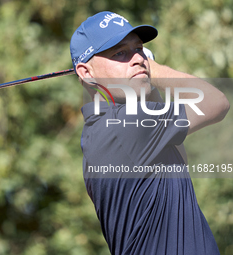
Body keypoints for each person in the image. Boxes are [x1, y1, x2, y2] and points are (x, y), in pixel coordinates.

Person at [70, 11, 230, 255]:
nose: (137, 58)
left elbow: (179, 162)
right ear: (86, 72)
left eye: (139, 49)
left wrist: (143, 78)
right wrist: (152, 68)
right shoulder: (126, 125)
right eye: (119, 53)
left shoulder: (102, 131)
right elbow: (216, 102)